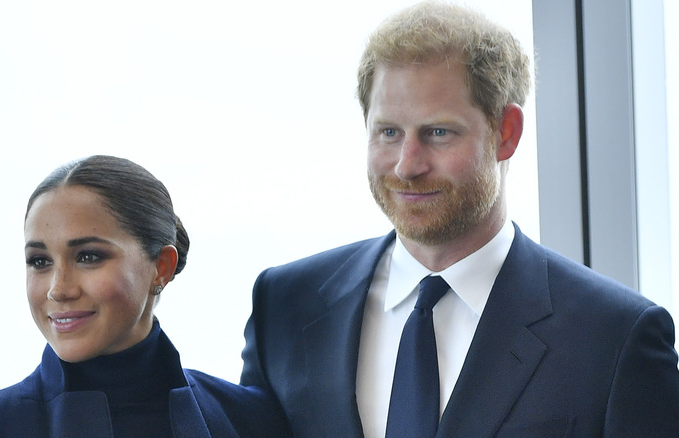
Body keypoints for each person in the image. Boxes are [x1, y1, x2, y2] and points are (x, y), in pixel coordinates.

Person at [240, 2, 679, 437]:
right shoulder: (283, 307)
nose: (406, 166)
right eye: (389, 132)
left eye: (438, 133)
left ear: (506, 132)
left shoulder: (615, 338)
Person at [0, 155, 292, 438]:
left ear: (161, 266)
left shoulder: (252, 421)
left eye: (88, 256)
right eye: (39, 261)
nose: (59, 288)